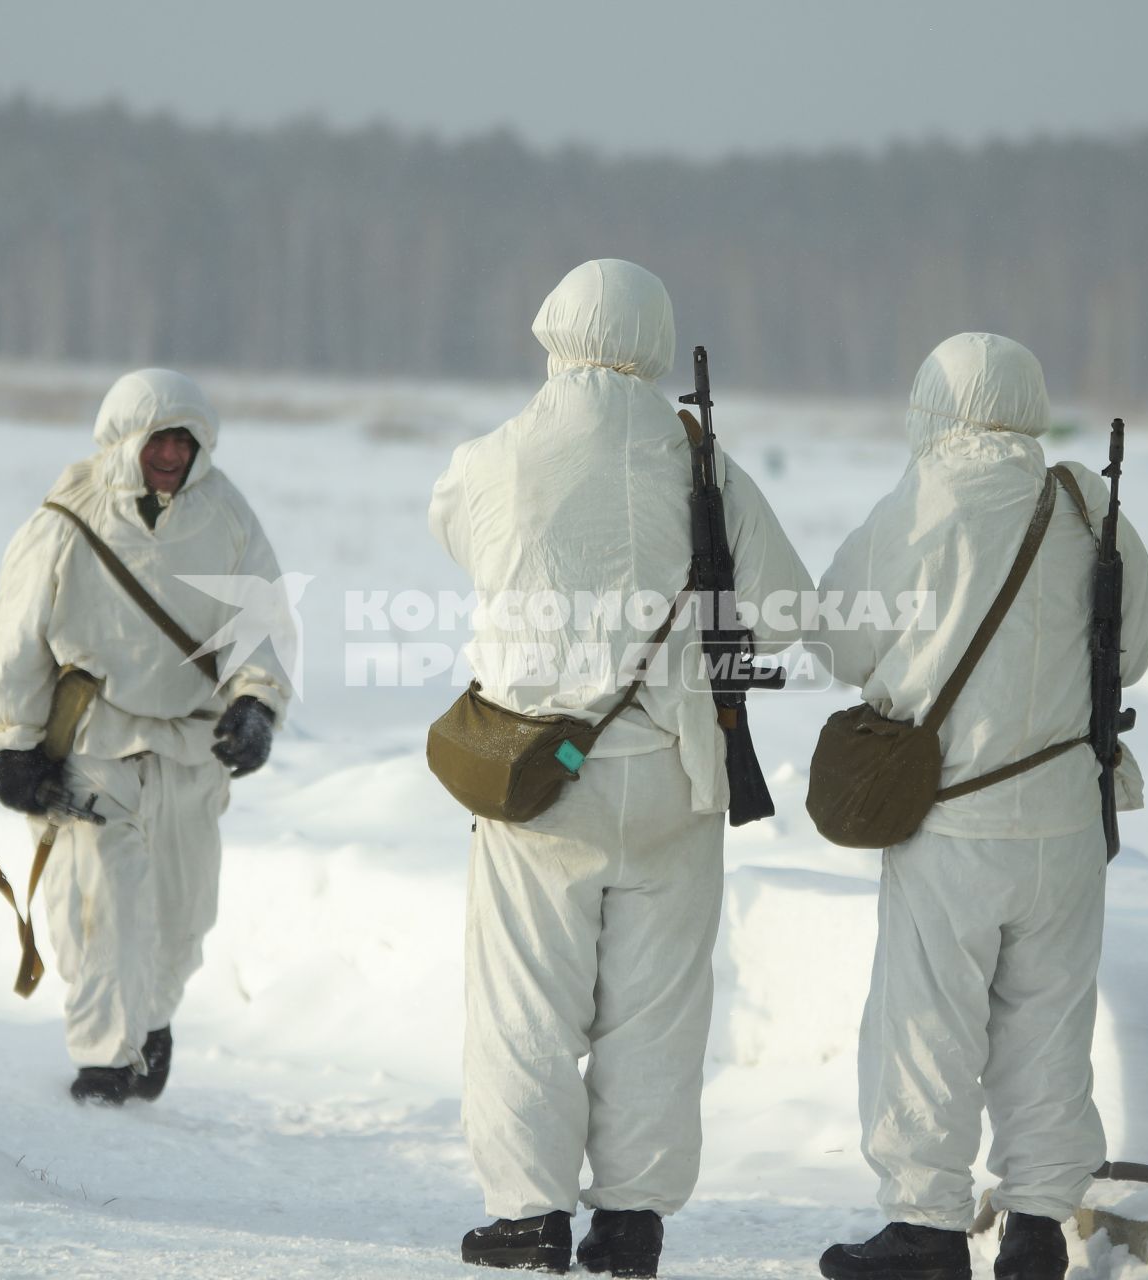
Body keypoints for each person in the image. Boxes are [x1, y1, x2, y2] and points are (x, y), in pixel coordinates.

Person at [429, 259, 813, 1275]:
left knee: (524, 1005)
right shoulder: (702, 461)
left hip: (538, 776)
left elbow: (456, 534)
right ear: (653, 339)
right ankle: (631, 1217)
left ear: (551, 329)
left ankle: (528, 1211)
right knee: (656, 1009)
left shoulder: (497, 456)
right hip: (676, 776)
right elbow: (781, 607)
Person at [811, 333, 1148, 1280]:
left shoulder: (923, 501)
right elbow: (1130, 649)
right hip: (1067, 823)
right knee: (1050, 1025)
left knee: (926, 1027)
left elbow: (839, 640)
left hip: (951, 821)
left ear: (934, 404)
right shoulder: (1091, 504)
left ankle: (925, 1229)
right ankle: (1040, 1227)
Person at [0, 367, 290, 1105]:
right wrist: (17, 743)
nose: (172, 453)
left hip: (190, 747)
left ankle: (150, 1022)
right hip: (94, 742)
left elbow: (260, 621)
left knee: (184, 913)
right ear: (128, 439)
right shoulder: (65, 517)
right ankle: (103, 1058)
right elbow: (19, 637)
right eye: (160, 438)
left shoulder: (227, 515)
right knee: (101, 905)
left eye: (187, 440)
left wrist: (257, 706)